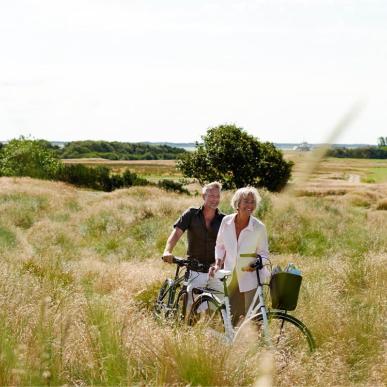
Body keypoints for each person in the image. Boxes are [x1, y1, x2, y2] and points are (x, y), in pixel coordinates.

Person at [209, 186, 270, 325]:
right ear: (237, 203)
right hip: (231, 277)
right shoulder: (226, 222)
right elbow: (220, 245)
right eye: (246, 201)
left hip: (251, 279)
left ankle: (255, 345)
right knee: (232, 317)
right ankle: (234, 346)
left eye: (252, 202)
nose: (250, 205)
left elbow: (264, 253)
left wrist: (255, 264)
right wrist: (218, 263)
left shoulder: (259, 227)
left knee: (253, 319)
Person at [162, 181, 225, 311]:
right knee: (193, 309)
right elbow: (176, 233)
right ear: (203, 196)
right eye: (211, 195)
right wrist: (167, 251)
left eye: (217, 196)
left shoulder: (223, 219)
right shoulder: (191, 214)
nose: (215, 199)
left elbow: (228, 245)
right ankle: (186, 328)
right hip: (195, 268)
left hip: (215, 270)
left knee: (218, 308)